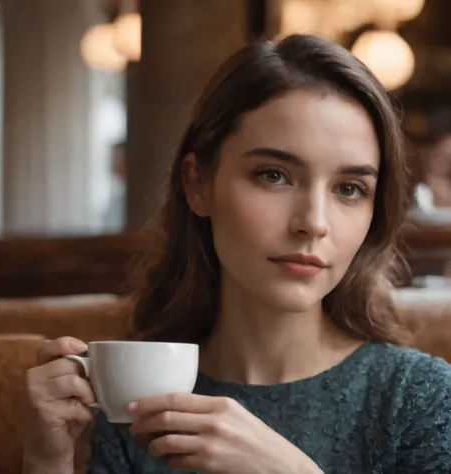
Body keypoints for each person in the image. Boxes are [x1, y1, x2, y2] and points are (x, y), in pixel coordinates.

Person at [23, 34, 451, 474]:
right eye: (274, 175)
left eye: (349, 188)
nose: (314, 222)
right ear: (197, 184)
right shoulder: (135, 394)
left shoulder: (418, 398)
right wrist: (47, 460)